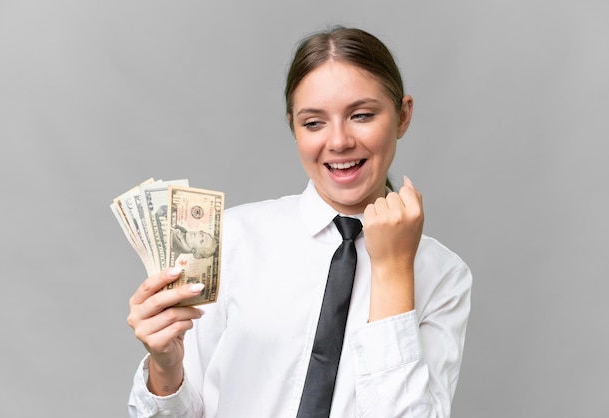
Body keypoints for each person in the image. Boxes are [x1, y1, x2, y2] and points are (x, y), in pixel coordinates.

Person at [127, 26, 472, 417]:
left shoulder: (443, 275)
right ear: (293, 126)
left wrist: (393, 271)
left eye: (361, 115)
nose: (339, 141)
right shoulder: (231, 241)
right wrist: (165, 366)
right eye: (313, 123)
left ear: (403, 116)